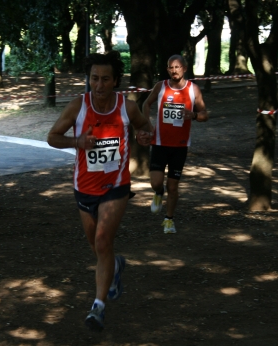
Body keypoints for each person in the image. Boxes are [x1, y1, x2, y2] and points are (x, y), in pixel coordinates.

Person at [47, 51, 152, 332]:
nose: (99, 84)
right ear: (88, 79)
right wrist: (77, 141)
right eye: (94, 78)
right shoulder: (77, 106)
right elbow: (52, 137)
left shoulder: (127, 107)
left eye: (106, 79)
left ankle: (98, 307)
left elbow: (146, 128)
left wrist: (144, 135)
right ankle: (115, 266)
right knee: (96, 246)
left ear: (116, 80)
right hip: (84, 187)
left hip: (116, 186)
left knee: (103, 241)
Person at [142, 55, 208, 234]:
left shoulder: (193, 89)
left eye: (177, 67)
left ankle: (169, 219)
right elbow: (146, 104)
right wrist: (147, 126)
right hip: (160, 143)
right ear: (167, 69)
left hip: (179, 146)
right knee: (156, 182)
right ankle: (157, 193)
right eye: (171, 67)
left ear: (184, 68)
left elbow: (204, 114)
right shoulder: (160, 86)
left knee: (173, 185)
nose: (174, 70)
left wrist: (193, 115)